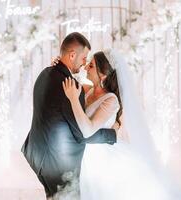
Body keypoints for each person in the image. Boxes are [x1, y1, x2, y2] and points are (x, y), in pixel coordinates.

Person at [61, 49, 181, 200]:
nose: (85, 67)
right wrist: (60, 66)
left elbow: (88, 130)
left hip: (100, 158)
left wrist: (73, 100)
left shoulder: (110, 99)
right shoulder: (89, 90)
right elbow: (69, 80)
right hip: (84, 152)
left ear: (103, 75)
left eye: (91, 66)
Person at [21, 32, 117, 199]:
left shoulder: (46, 73)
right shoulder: (69, 88)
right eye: (84, 58)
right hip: (57, 162)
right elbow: (80, 134)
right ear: (72, 55)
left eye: (90, 63)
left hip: (38, 154)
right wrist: (112, 135)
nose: (84, 64)